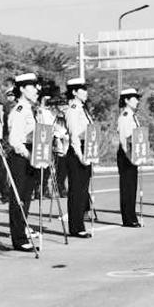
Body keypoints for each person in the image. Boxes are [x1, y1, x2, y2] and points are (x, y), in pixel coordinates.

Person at [6, 72, 45, 251]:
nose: (36, 90)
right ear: (22, 89)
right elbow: (14, 140)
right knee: (19, 198)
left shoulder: (31, 109)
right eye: (32, 86)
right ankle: (19, 238)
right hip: (21, 157)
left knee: (26, 197)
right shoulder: (20, 110)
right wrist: (30, 156)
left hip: (31, 155)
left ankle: (22, 231)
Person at [65, 77, 93, 238]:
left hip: (85, 148)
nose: (86, 92)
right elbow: (74, 135)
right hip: (77, 151)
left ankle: (80, 224)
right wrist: (81, 156)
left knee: (83, 190)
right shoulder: (73, 109)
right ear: (74, 92)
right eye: (82, 89)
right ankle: (76, 227)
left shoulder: (82, 109)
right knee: (77, 190)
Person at [117, 88, 142, 228]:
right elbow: (123, 140)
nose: (137, 101)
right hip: (127, 154)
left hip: (133, 153)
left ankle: (132, 216)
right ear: (126, 100)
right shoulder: (125, 116)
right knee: (127, 187)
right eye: (134, 98)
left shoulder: (133, 116)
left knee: (132, 187)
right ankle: (128, 219)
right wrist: (130, 157)